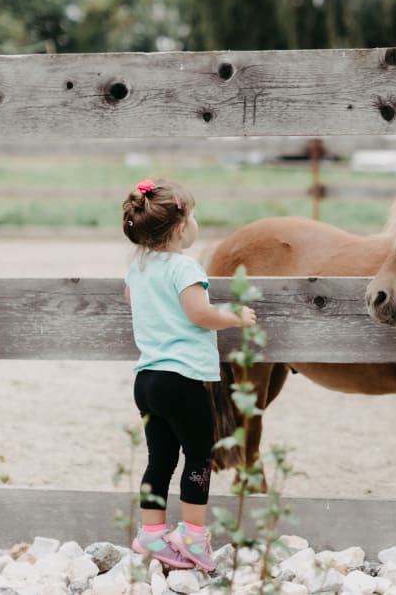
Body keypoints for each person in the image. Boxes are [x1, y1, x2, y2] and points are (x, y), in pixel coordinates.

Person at [122, 177, 257, 570]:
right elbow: (199, 313)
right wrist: (236, 316)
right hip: (181, 379)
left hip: (147, 379)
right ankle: (193, 537)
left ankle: (151, 534)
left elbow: (132, 299)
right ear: (181, 228)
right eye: (193, 216)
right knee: (199, 456)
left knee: (160, 458)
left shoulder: (138, 268)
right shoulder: (184, 267)